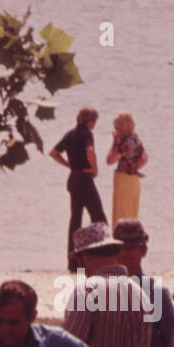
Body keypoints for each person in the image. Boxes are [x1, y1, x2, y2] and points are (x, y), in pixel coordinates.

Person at [113, 218, 174, 347]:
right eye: (119, 248)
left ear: (143, 250)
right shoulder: (100, 290)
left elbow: (172, 345)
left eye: (131, 248)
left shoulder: (157, 292)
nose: (125, 254)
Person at [51, 108, 104, 263]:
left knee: (75, 220)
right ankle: (101, 255)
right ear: (91, 121)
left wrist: (69, 165)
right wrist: (95, 169)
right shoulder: (86, 134)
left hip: (73, 178)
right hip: (84, 180)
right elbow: (90, 151)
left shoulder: (70, 134)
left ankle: (73, 261)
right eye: (95, 121)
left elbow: (54, 153)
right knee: (99, 218)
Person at [106, 112, 148, 225]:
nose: (116, 130)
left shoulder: (125, 144)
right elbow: (144, 158)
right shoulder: (136, 139)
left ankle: (120, 242)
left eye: (117, 127)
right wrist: (133, 168)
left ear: (121, 127)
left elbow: (110, 160)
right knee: (132, 215)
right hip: (134, 181)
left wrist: (114, 142)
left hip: (124, 180)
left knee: (121, 216)